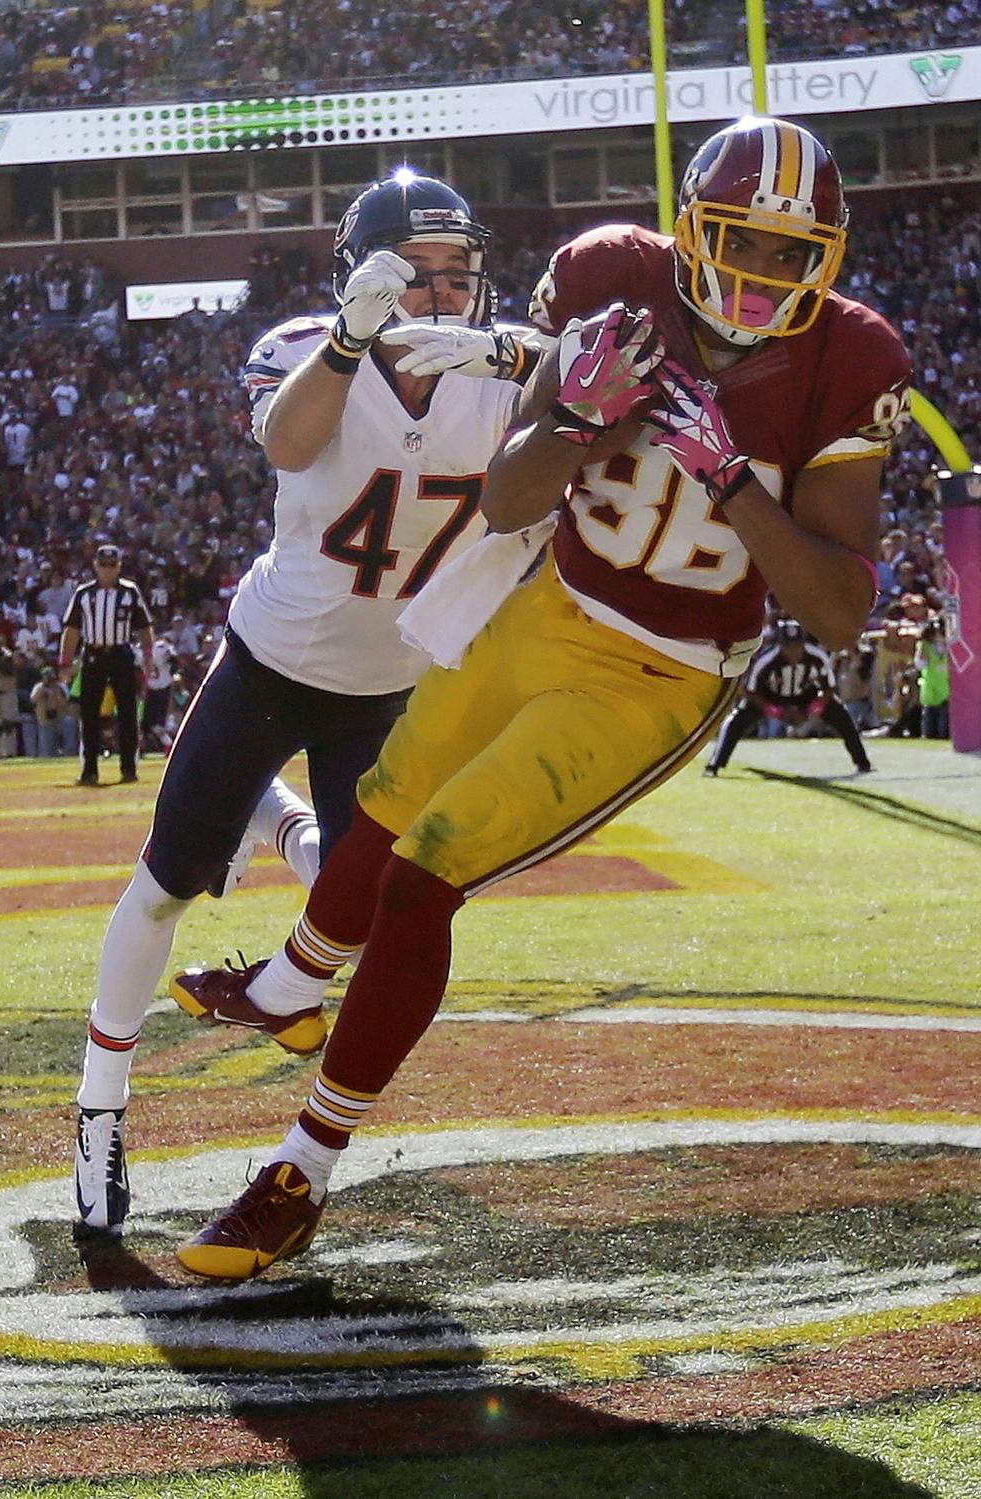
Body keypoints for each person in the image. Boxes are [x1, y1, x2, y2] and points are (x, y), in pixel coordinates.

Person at [166, 116, 914, 1284]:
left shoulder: (849, 358)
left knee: (425, 871)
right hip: (550, 599)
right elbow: (512, 498)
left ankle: (300, 1172)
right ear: (690, 231)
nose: (763, 274)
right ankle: (289, 985)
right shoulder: (611, 274)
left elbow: (833, 610)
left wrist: (727, 478)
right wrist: (573, 417)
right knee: (385, 800)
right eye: (740, 241)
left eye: (790, 252)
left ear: (827, 258)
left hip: (662, 665)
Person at [72, 171, 540, 1233]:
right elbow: (287, 443)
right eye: (415, 273)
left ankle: (276, 821)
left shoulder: (499, 368)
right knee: (165, 884)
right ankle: (100, 1104)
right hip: (272, 663)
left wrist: (515, 356)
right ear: (360, 274)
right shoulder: (303, 349)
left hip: (393, 686)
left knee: (362, 911)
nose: (439, 294)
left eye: (457, 274)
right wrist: (348, 340)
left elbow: (587, 385)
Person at [703, 620, 873, 775]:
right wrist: (774, 711)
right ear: (780, 645)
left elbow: (828, 687)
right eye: (788, 647)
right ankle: (715, 764)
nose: (793, 652)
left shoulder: (817, 657)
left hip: (805, 695)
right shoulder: (767, 660)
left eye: (797, 646)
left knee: (842, 716)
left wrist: (813, 709)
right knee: (736, 721)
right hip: (772, 696)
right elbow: (751, 690)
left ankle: (863, 763)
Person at [58, 544, 153, 786]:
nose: (108, 570)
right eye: (104, 565)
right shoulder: (84, 593)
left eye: (112, 565)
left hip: (121, 654)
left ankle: (129, 768)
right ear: (96, 566)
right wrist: (65, 662)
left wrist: (148, 657)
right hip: (93, 654)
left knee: (128, 712)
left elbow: (144, 627)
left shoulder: (129, 592)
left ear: (119, 566)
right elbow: (72, 630)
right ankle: (89, 770)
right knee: (89, 713)